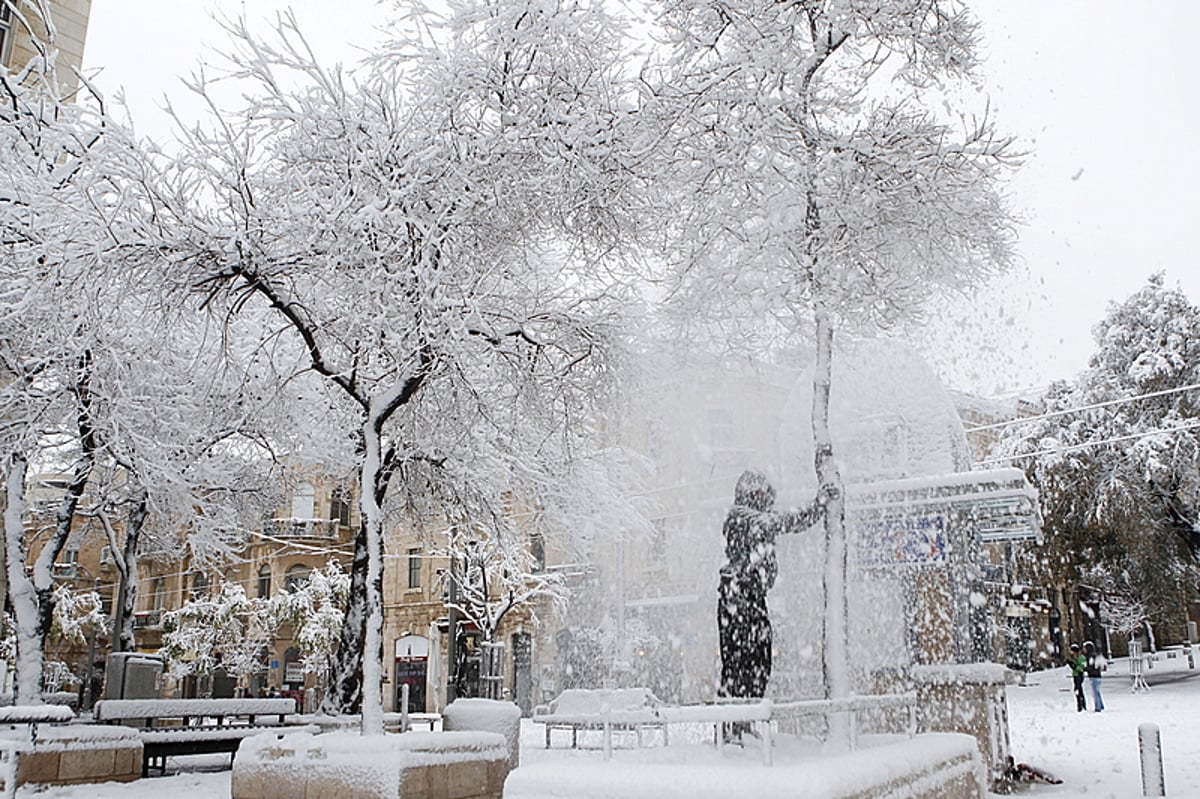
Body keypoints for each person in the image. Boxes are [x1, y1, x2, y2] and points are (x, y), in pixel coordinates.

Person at [717, 470, 831, 739]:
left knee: (754, 664)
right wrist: (818, 505)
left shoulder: (750, 519)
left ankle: (741, 724)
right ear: (754, 496)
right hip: (740, 596)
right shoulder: (743, 517)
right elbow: (786, 521)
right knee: (743, 665)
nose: (769, 502)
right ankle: (735, 728)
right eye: (765, 497)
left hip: (747, 596)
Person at [1083, 641, 1104, 712]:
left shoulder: (1090, 656)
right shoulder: (1095, 655)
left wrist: (1084, 669)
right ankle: (1101, 705)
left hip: (1094, 675)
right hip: (1097, 675)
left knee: (1095, 692)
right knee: (1097, 691)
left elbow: (1091, 666)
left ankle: (1098, 707)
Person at [1067, 644, 1086, 712]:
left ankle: (1081, 705)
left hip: (1079, 675)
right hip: (1075, 675)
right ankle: (1080, 704)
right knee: (1077, 690)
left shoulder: (1081, 657)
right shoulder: (1073, 657)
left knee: (1078, 689)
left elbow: (1082, 667)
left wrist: (1075, 666)